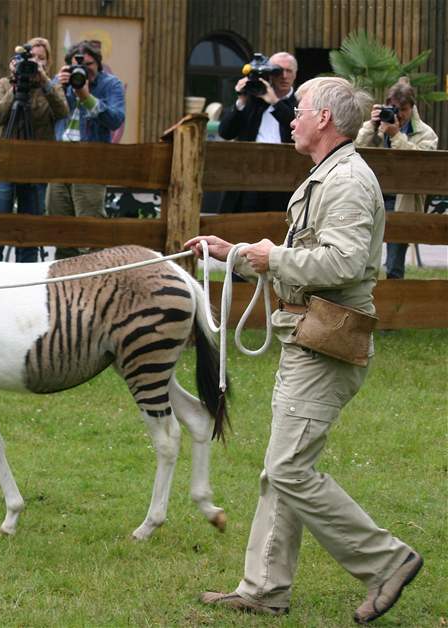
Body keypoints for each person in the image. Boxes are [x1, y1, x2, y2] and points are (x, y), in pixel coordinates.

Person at [186, 77, 422, 624]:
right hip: (308, 334)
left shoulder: (346, 182)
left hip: (326, 342)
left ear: (325, 120)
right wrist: (237, 254)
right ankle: (264, 589)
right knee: (280, 467)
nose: (290, 116)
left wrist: (270, 259)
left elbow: (342, 264)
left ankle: (388, 562)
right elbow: (302, 257)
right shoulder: (329, 175)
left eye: (300, 109)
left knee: (289, 469)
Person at [0, 36, 68, 263]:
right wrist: (15, 85)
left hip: (36, 167)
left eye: (42, 59)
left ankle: (26, 278)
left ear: (48, 62)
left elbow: (63, 111)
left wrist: (43, 81)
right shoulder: (5, 83)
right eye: (32, 57)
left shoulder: (51, 87)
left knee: (30, 233)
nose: (36, 62)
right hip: (6, 163)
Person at [46, 40, 125, 259]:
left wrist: (86, 97)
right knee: (60, 227)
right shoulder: (61, 82)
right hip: (60, 162)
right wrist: (55, 88)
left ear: (98, 64)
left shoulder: (111, 85)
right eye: (77, 65)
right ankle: (64, 282)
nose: (83, 69)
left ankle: (95, 280)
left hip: (91, 162)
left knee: (91, 230)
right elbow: (43, 114)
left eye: (89, 63)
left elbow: (116, 119)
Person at [355, 77, 438, 279]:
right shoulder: (377, 125)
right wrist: (370, 127)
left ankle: (396, 303)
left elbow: (419, 164)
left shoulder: (425, 133)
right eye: (393, 108)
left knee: (394, 265)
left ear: (412, 108)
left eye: (403, 110)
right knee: (361, 259)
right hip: (371, 198)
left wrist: (396, 136)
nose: (398, 115)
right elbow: (353, 147)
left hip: (402, 201)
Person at [218, 51, 298, 213]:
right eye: (278, 71)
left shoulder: (300, 102)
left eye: (289, 71)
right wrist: (241, 100)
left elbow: (293, 124)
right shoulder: (254, 102)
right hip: (248, 177)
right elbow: (226, 132)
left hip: (284, 178)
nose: (283, 76)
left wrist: (274, 102)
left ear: (295, 74)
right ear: (269, 73)